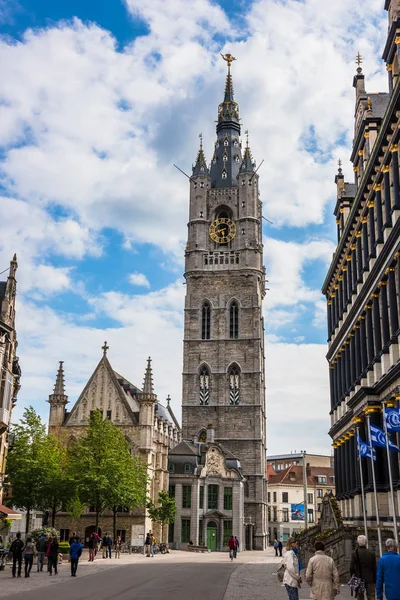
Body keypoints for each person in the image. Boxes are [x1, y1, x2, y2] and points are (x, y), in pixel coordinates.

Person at [350, 535, 376, 600]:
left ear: (358, 543)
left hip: (359, 577)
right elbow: (374, 568)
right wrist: (375, 579)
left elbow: (351, 567)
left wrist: (352, 576)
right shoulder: (371, 553)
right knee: (371, 596)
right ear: (366, 542)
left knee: (360, 597)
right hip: (370, 578)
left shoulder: (354, 553)